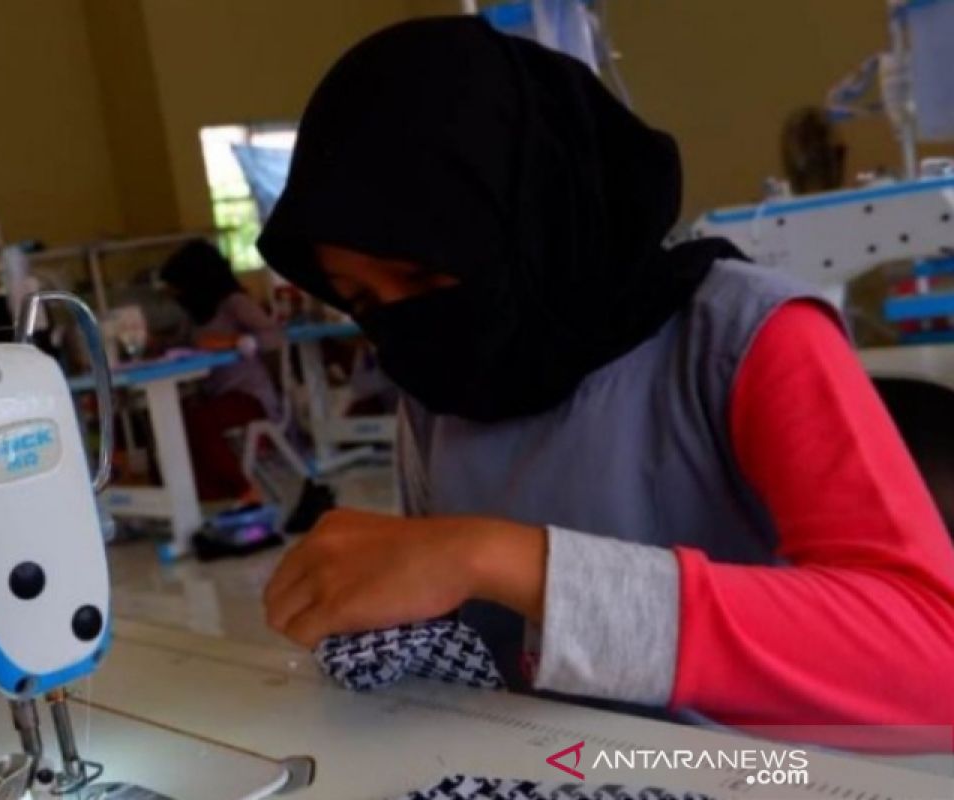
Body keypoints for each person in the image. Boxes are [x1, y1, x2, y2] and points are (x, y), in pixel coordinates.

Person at [256, 17, 954, 736]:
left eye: (425, 271)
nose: (402, 322)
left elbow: (933, 654)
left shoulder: (745, 340)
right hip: (545, 758)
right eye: (362, 299)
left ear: (530, 210)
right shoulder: (443, 384)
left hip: (735, 767)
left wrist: (496, 557)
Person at [161, 239, 284, 503]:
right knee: (174, 418)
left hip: (250, 397)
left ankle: (245, 491)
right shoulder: (193, 314)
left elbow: (273, 337)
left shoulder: (235, 304)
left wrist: (235, 343)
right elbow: (182, 344)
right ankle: (199, 497)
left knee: (199, 421)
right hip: (216, 396)